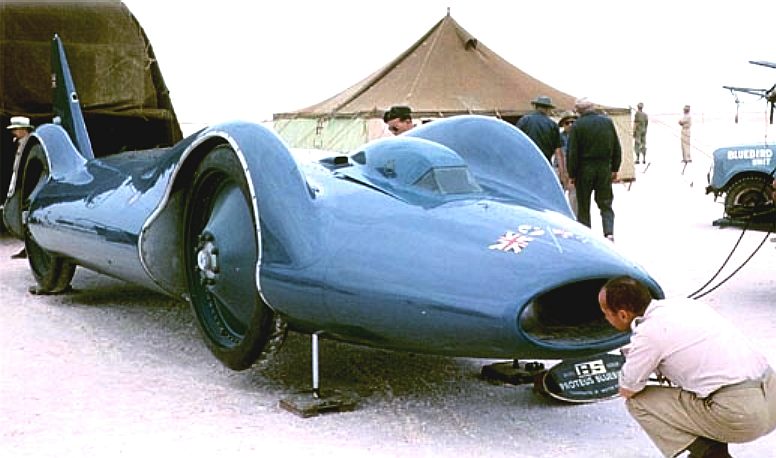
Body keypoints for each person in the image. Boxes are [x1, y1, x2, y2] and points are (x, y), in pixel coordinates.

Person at [598, 276, 776, 458]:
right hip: (771, 395)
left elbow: (628, 389)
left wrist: (640, 360)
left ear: (622, 314)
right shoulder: (686, 305)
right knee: (700, 389)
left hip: (744, 416)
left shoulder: (648, 334)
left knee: (639, 403)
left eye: (606, 313)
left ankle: (712, 454)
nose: (605, 318)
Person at [567, 98, 621, 241]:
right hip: (604, 168)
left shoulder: (577, 126)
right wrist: (615, 168)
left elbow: (572, 152)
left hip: (584, 170)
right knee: (605, 204)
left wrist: (571, 174)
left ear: (578, 110)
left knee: (584, 205)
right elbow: (617, 147)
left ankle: (587, 235)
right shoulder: (607, 122)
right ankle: (609, 233)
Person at [515, 96, 567, 188]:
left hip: (525, 166)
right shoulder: (552, 125)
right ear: (548, 109)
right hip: (544, 165)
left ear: (535, 106)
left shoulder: (524, 120)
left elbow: (515, 142)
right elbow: (558, 151)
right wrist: (562, 175)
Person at [6, 115, 34, 259]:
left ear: (24, 130)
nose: (14, 132)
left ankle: (30, 248)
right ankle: (27, 247)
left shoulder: (29, 144)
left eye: (16, 129)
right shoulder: (19, 143)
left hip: (27, 186)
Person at [557, 111, 578, 215]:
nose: (570, 125)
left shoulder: (579, 137)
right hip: (560, 168)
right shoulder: (559, 137)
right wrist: (562, 172)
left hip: (574, 170)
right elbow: (559, 154)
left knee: (574, 197)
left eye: (572, 122)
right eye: (567, 123)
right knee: (558, 195)